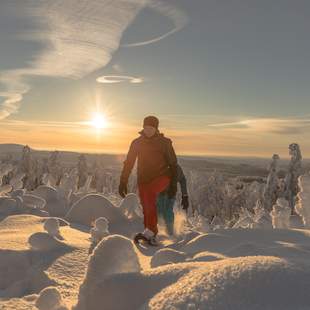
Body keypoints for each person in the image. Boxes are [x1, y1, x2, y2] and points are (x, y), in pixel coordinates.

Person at [119, 115, 178, 245]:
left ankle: (151, 231)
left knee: (150, 195)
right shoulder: (137, 143)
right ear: (143, 127)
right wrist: (123, 181)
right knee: (146, 205)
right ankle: (149, 233)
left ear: (156, 128)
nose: (148, 130)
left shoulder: (164, 142)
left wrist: (173, 184)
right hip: (144, 179)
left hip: (163, 177)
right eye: (146, 127)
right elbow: (129, 162)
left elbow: (173, 164)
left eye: (151, 128)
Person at [156, 164, 189, 235]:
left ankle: (169, 232)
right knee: (160, 212)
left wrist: (185, 196)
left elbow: (182, 179)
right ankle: (159, 231)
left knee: (166, 211)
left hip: (169, 194)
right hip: (160, 193)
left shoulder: (175, 167)